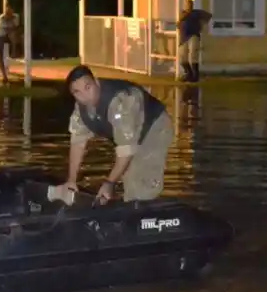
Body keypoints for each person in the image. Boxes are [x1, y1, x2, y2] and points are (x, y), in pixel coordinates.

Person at [48, 65, 174, 206]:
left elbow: (126, 150)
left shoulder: (120, 101)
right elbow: (78, 142)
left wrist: (109, 183)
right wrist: (71, 180)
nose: (84, 96)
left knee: (140, 179)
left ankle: (145, 217)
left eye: (88, 87)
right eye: (77, 92)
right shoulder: (81, 108)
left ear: (96, 82)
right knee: (129, 178)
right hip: (132, 135)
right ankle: (130, 208)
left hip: (154, 127)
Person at [178, 0, 212, 83]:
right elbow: (179, 21)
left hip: (194, 35)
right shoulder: (183, 14)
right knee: (182, 57)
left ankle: (195, 77)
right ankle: (188, 74)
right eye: (187, 5)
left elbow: (208, 15)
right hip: (184, 37)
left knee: (193, 55)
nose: (189, 6)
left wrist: (202, 25)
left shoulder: (196, 13)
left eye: (190, 5)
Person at [0, 4, 20, 85]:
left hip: (7, 36)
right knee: (0, 55)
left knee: (15, 34)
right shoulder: (2, 17)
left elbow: (15, 27)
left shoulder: (15, 17)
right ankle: (4, 76)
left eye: (10, 11)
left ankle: (14, 52)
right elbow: (6, 29)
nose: (7, 12)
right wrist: (9, 20)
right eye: (6, 11)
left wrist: (11, 21)